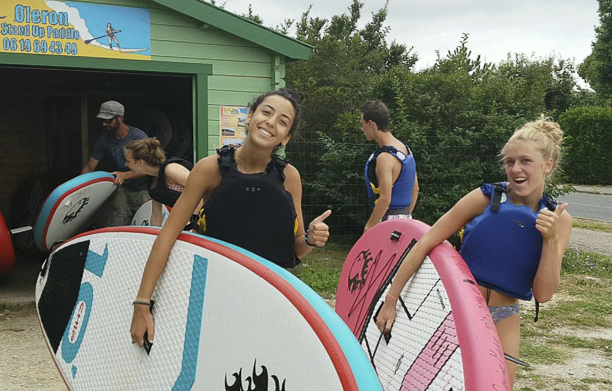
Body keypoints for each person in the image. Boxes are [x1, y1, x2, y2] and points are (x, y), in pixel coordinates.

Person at [375, 116, 572, 386]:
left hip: (505, 317)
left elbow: (544, 293)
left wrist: (550, 239)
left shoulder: (559, 220)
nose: (515, 169)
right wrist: (391, 299)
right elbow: (425, 242)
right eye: (510, 161)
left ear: (547, 165)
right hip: (456, 307)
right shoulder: (484, 198)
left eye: (525, 161)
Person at [130, 88, 332, 348]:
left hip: (269, 298)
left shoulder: (289, 177)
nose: (271, 122)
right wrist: (142, 303)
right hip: (214, 295)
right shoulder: (209, 169)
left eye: (283, 121)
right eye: (266, 112)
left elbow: (295, 249)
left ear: (287, 137)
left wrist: (312, 239)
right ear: (250, 117)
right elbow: (167, 236)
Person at [81, 100, 149, 226]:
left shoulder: (139, 137)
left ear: (120, 118)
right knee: (117, 225)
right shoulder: (104, 141)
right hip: (121, 189)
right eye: (102, 120)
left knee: (146, 225)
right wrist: (78, 187)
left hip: (143, 189)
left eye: (108, 120)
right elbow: (90, 167)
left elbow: (149, 168)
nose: (104, 124)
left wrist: (125, 175)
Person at [360, 100, 419, 233]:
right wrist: (405, 216)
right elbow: (415, 189)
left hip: (386, 222)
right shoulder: (406, 150)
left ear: (371, 124)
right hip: (406, 220)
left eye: (362, 124)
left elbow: (385, 199)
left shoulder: (384, 157)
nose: (362, 129)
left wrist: (369, 228)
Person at [124, 138, 198, 227]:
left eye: (128, 161)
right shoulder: (152, 181)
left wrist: (193, 222)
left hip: (206, 213)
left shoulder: (171, 170)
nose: (126, 164)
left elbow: (201, 190)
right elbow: (156, 215)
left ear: (140, 162)